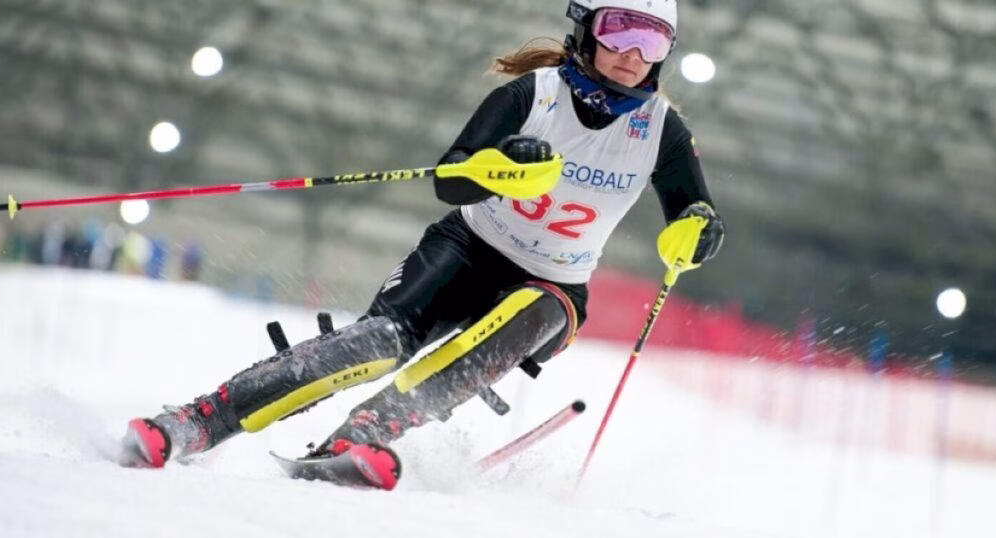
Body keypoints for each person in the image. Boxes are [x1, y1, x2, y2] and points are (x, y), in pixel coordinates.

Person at [122, 0, 725, 476]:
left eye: (652, 41)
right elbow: (450, 179)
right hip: (468, 249)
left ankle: (365, 433)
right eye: (620, 31)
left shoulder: (663, 131)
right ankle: (199, 420)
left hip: (556, 284)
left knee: (533, 311)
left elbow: (692, 213)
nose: (633, 54)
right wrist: (497, 167)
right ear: (586, 30)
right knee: (377, 345)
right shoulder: (531, 95)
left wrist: (698, 232)